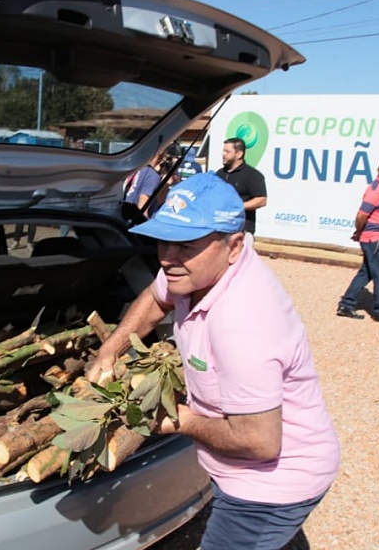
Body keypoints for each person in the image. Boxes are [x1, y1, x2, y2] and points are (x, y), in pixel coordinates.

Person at [87, 173, 339, 550]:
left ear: (234, 246)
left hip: (271, 486)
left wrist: (179, 419)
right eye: (164, 241)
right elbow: (157, 300)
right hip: (243, 468)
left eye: (186, 245)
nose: (168, 258)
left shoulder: (243, 320)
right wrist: (110, 350)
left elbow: (260, 442)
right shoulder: (191, 274)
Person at [336, 156, 379, 324]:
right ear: (378, 171)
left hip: (377, 238)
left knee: (366, 273)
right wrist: (359, 231)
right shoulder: (376, 191)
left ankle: (347, 304)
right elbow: (362, 215)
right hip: (376, 239)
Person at [215, 137, 267, 234]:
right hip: (220, 227)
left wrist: (237, 207)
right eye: (223, 151)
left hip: (242, 229)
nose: (223, 154)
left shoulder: (252, 175)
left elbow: (261, 200)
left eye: (227, 151)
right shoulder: (219, 173)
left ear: (239, 154)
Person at [124, 145, 169, 218]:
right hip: (136, 220)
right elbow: (142, 209)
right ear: (161, 158)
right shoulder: (152, 175)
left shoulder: (135, 169)